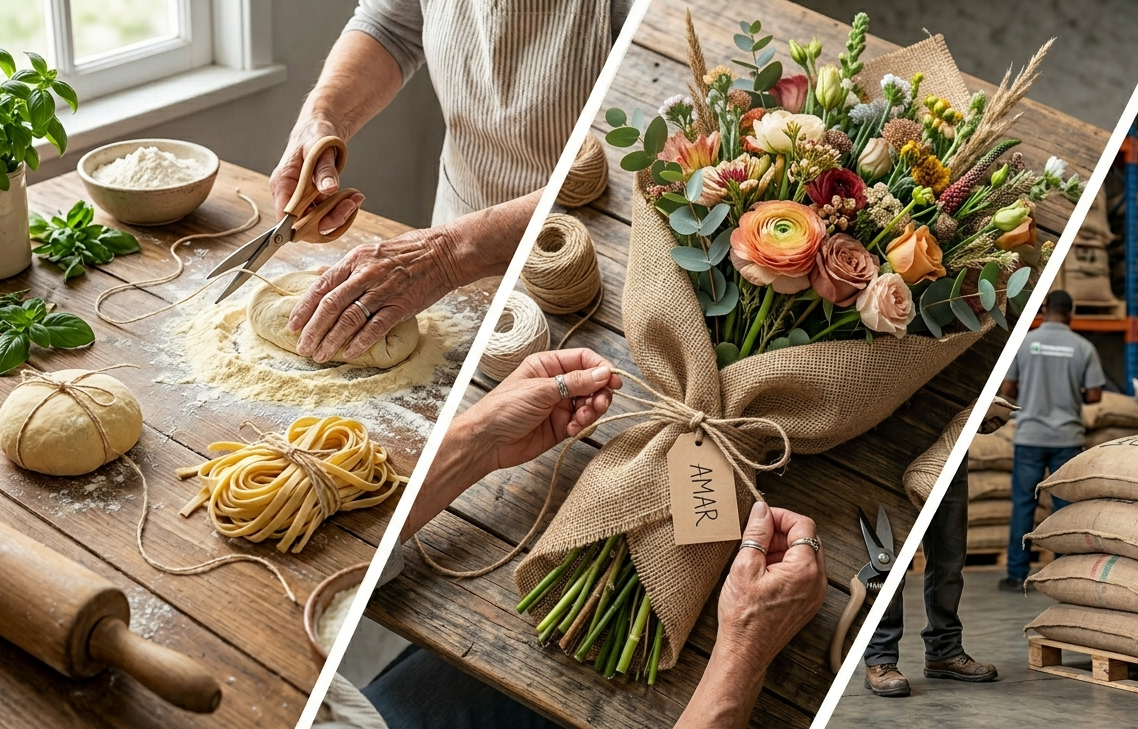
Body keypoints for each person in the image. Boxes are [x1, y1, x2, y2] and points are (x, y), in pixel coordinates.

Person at [319, 349, 828, 729]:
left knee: (450, 665)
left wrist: (476, 441)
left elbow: (341, 560)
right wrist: (744, 651)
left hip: (355, 713)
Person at [273, 0, 632, 364]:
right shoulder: (429, 262)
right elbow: (390, 27)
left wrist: (446, 256)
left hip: (577, 239)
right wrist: (322, 116)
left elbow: (618, 149)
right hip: (449, 226)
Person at [863, 400, 1014, 697]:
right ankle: (880, 658)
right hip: (896, 445)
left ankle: (943, 651)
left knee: (950, 558)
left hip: (949, 447)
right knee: (889, 564)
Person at [996, 290, 1104, 591]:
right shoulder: (1083, 347)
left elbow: (1008, 388)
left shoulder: (1027, 342)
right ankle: (1062, 570)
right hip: (1067, 438)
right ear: (1071, 312)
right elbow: (1094, 395)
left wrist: (1031, 393)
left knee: (1023, 505)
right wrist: (1069, 393)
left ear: (1044, 308)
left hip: (1030, 436)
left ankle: (1017, 575)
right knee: (1065, 508)